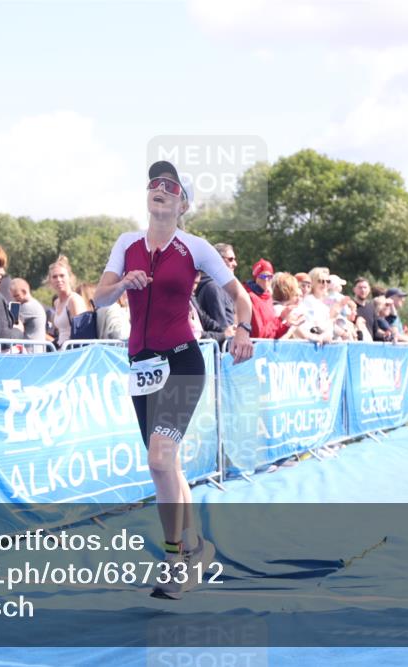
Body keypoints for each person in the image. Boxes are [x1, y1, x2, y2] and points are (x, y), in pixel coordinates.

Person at [95, 160, 253, 600]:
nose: (158, 189)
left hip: (183, 362)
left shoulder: (195, 247)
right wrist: (123, 282)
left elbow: (240, 297)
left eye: (169, 186)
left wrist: (242, 330)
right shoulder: (126, 244)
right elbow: (99, 295)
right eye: (153, 184)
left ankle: (175, 560)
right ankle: (197, 547)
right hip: (142, 368)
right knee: (171, 467)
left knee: (160, 461)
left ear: (182, 203)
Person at [245, 259, 302, 339]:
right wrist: (281, 319)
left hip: (266, 346)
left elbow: (273, 334)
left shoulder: (268, 298)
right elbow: (259, 334)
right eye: (263, 276)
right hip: (256, 347)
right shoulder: (249, 296)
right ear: (256, 277)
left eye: (269, 277)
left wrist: (286, 324)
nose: (266, 280)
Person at [48, 255, 88, 347]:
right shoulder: (56, 302)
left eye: (62, 276)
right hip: (60, 349)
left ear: (69, 277)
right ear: (50, 280)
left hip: (73, 351)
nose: (58, 279)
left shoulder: (74, 300)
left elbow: (81, 333)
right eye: (54, 277)